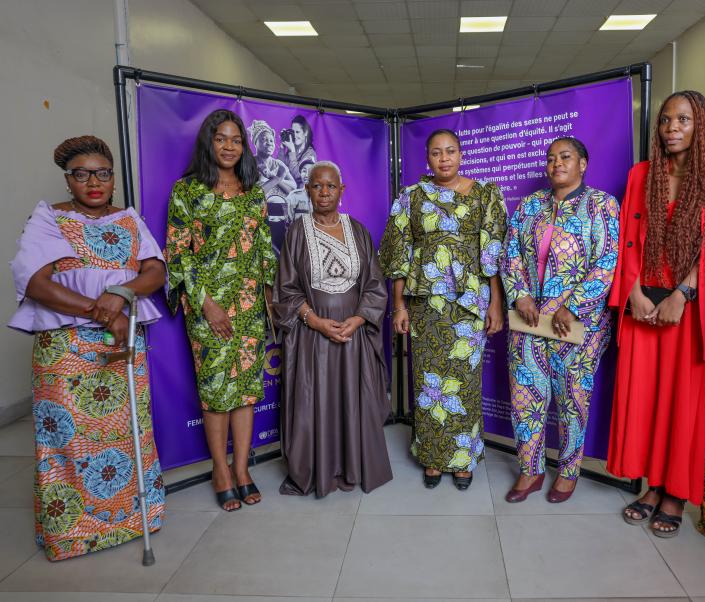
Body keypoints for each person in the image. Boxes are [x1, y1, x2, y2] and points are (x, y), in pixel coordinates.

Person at [9, 135, 167, 560]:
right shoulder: (49, 218)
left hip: (122, 343)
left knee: (127, 430)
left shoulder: (130, 219)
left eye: (102, 173)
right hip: (66, 347)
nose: (93, 182)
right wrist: (105, 311)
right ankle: (71, 534)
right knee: (68, 435)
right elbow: (37, 284)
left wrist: (121, 293)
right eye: (81, 174)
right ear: (68, 180)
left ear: (113, 178)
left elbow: (154, 270)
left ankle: (133, 519)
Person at [606, 91, 705, 537]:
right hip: (642, 306)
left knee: (682, 404)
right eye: (666, 120)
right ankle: (651, 485)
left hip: (687, 309)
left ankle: (675, 493)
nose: (671, 128)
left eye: (682, 120)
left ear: (699, 124)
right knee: (642, 401)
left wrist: (682, 295)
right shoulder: (641, 174)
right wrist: (632, 292)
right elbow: (626, 236)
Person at [379, 128, 507, 490]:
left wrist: (496, 303)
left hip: (470, 302)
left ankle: (463, 457)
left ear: (461, 154)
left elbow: (492, 256)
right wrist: (399, 305)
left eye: (451, 151)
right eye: (436, 153)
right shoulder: (411, 197)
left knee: (465, 383)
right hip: (425, 305)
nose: (444, 158)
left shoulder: (485, 194)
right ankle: (433, 457)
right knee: (426, 382)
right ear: (427, 158)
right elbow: (398, 255)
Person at [165, 109, 277, 511]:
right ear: (208, 143)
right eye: (221, 139)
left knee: (246, 393)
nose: (229, 146)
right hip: (208, 307)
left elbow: (264, 247)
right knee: (216, 394)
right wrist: (206, 304)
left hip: (249, 306)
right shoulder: (188, 191)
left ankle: (243, 468)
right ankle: (220, 470)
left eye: (236, 139)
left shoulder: (253, 189)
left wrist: (270, 297)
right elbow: (178, 255)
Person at [501, 137, 619, 503]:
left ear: (583, 163)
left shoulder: (601, 205)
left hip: (578, 326)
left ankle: (568, 471)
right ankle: (531, 469)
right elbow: (511, 254)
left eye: (565, 157)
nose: (556, 164)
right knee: (525, 398)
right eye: (551, 159)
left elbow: (607, 263)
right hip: (529, 322)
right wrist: (519, 294)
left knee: (572, 402)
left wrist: (575, 305)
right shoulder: (530, 205)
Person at [274, 161, 392, 497]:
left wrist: (357, 320)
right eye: (316, 186)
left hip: (353, 335)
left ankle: (352, 466)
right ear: (307, 190)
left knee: (352, 399)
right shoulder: (297, 232)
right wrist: (315, 321)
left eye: (330, 186)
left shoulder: (357, 230)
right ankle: (322, 469)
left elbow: (373, 284)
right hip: (313, 337)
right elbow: (286, 289)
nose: (324, 193)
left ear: (342, 190)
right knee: (318, 402)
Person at [248, 119, 297, 254]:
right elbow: (254, 195)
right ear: (255, 143)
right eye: (264, 139)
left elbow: (293, 190)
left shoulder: (279, 165)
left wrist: (276, 179)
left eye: (271, 140)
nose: (269, 142)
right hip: (258, 218)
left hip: (281, 219)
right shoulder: (249, 164)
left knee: (281, 255)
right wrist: (277, 178)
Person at [281, 115, 317, 188]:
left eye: (297, 132)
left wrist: (292, 151)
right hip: (287, 191)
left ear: (305, 133)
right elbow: (280, 167)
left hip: (300, 195)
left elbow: (298, 175)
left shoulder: (310, 153)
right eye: (293, 132)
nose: (295, 135)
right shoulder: (292, 148)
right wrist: (282, 148)